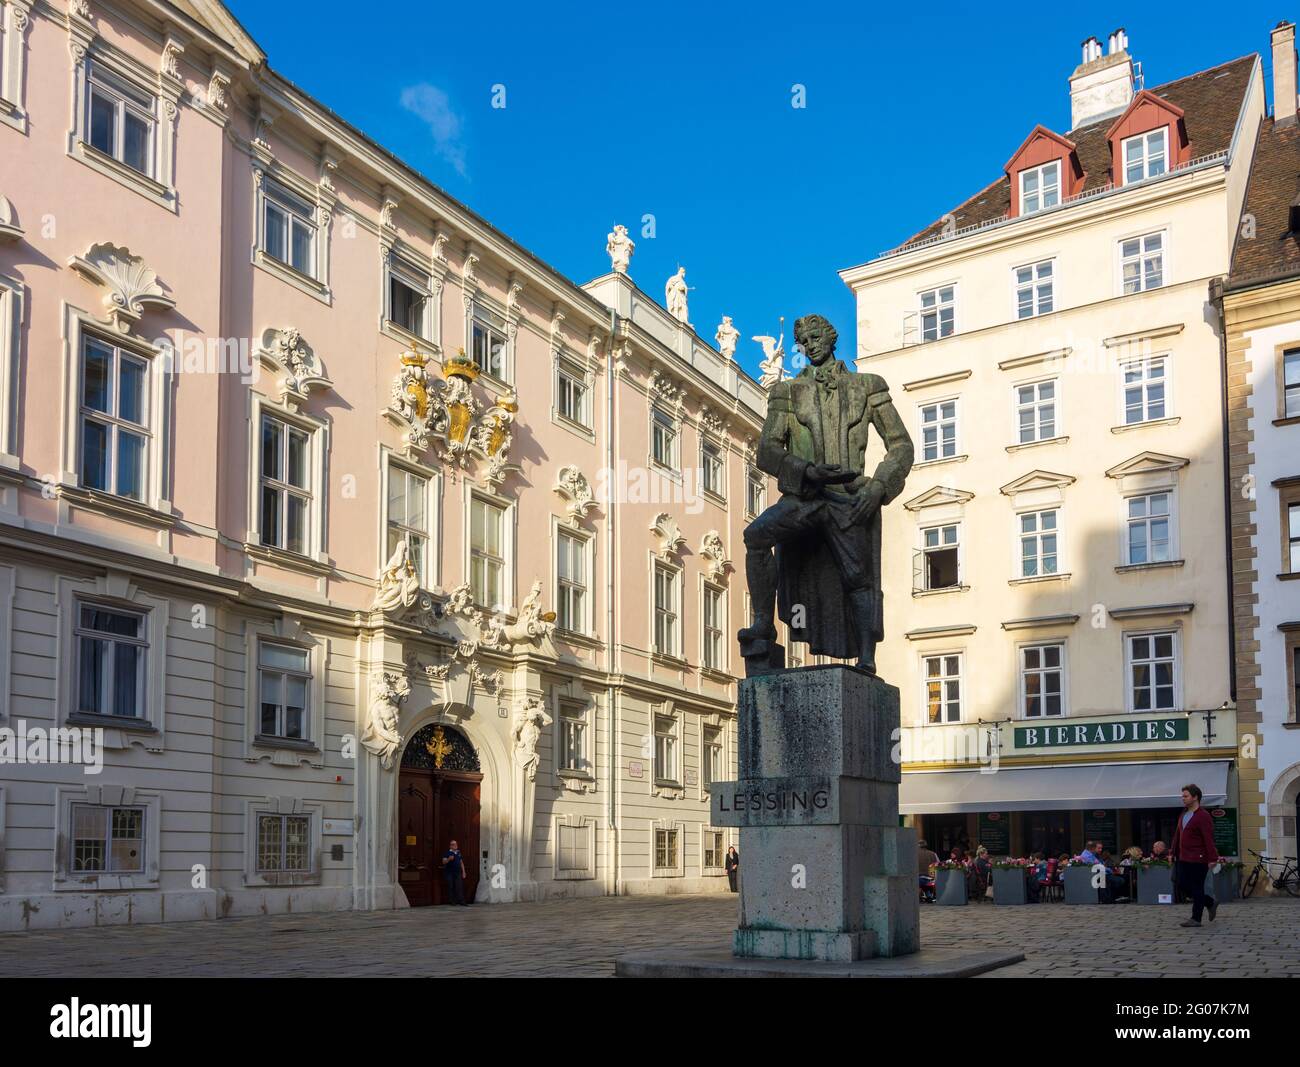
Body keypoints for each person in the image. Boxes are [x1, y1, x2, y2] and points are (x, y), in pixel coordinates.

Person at [1170, 784, 1220, 927]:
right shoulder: (1184, 814)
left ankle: (1196, 918)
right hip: (1183, 857)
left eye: (1185, 796)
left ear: (1195, 797)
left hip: (1199, 858)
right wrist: (1172, 852)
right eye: (1183, 796)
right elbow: (1177, 835)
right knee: (1180, 883)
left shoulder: (1203, 816)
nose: (1183, 798)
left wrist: (1212, 858)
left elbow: (1208, 839)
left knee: (1197, 887)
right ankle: (1210, 902)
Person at [440, 838, 469, 906]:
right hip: (449, 873)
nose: (455, 845)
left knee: (459, 886)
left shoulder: (458, 853)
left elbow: (461, 863)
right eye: (453, 844)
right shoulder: (447, 853)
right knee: (451, 886)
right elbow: (443, 862)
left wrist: (464, 872)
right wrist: (449, 859)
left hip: (458, 872)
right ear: (450, 846)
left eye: (456, 844)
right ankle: (452, 901)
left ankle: (461, 901)